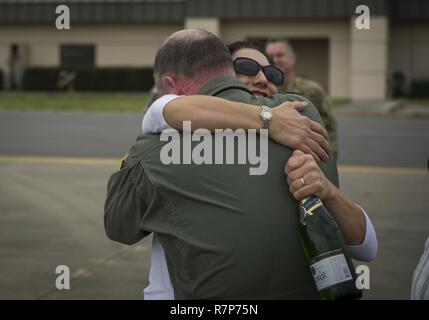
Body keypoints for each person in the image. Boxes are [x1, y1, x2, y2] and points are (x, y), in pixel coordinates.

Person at [104, 29, 377, 299]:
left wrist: (326, 189)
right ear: (224, 73)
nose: (261, 78)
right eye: (245, 67)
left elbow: (366, 247)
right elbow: (165, 110)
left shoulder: (298, 126)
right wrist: (267, 119)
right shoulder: (297, 118)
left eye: (272, 74)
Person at [265, 38, 338, 159]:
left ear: (292, 58)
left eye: (280, 55)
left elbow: (329, 127)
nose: (275, 60)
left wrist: (329, 160)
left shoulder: (312, 90)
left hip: (307, 160)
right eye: (271, 56)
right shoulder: (263, 90)